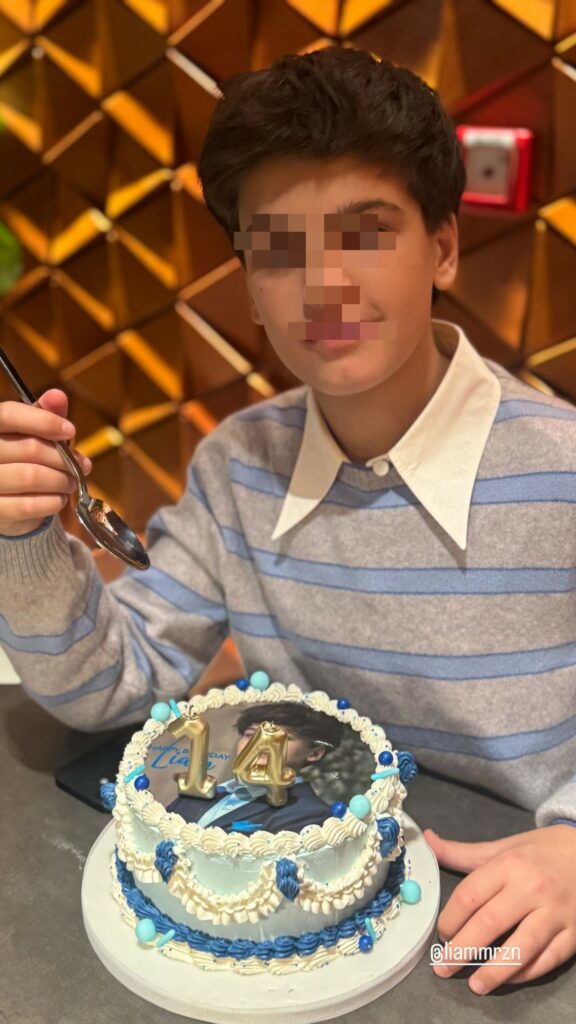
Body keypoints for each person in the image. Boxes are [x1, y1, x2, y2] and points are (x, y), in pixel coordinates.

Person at [0, 47, 575, 994]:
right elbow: (109, 685)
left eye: (367, 232)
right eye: (277, 249)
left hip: (516, 930)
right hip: (303, 924)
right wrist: (24, 539)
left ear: (443, 247)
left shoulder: (561, 469)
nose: (323, 284)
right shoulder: (239, 466)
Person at [166, 701, 343, 832]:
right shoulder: (201, 791)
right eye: (250, 735)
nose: (259, 744)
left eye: (280, 738)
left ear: (314, 753)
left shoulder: (310, 814)